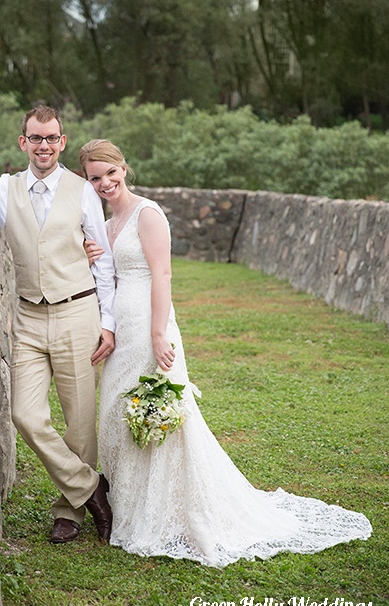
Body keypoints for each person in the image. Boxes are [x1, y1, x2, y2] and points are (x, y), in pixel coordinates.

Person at [79, 138, 372, 567]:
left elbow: (162, 274)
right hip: (122, 329)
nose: (105, 183)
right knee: (119, 414)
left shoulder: (147, 213)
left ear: (124, 169)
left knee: (163, 416)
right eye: (95, 178)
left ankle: (173, 512)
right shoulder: (108, 225)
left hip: (149, 325)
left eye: (110, 173)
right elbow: (109, 277)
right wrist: (91, 255)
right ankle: (133, 505)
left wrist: (160, 333)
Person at [0, 107, 116, 545]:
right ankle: (92, 489)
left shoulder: (83, 191)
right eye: (36, 138)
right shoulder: (2, 189)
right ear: (23, 142)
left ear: (62, 142)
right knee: (24, 414)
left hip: (77, 311)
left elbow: (102, 261)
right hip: (28, 316)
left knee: (79, 422)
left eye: (51, 138)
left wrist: (108, 322)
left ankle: (69, 512)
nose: (44, 146)